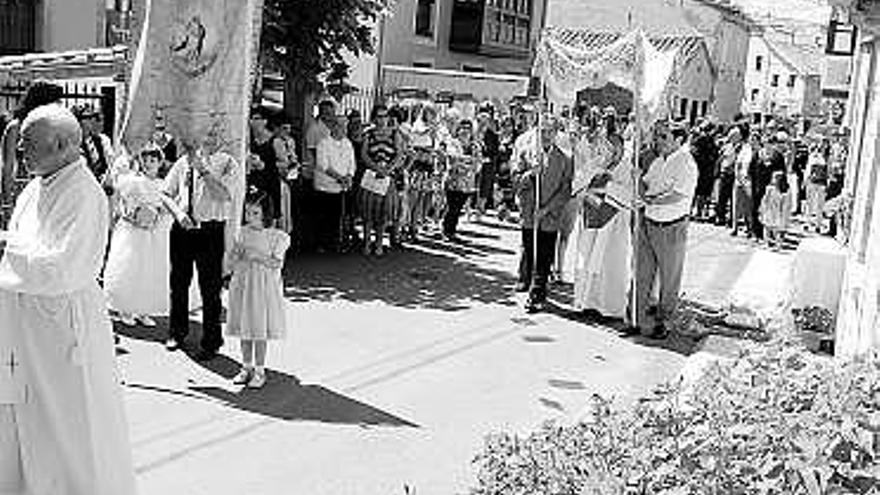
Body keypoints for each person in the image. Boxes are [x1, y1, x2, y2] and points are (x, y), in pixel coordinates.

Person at [0, 103, 136, 493]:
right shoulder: (34, 189)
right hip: (23, 332)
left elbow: (63, 268)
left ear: (60, 143)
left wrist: (5, 251)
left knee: (69, 425)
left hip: (62, 336)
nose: (20, 151)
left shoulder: (84, 195)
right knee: (23, 420)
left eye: (27, 143)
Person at [163, 135, 239, 360]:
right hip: (183, 228)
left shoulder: (227, 163)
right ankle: (177, 332)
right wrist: (177, 213)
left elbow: (224, 195)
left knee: (210, 287)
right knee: (178, 282)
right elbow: (166, 193)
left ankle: (211, 341)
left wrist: (203, 171)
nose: (206, 138)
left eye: (212, 132)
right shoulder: (183, 161)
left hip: (210, 230)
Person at [626, 120, 698, 339]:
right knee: (641, 273)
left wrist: (650, 200)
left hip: (671, 226)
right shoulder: (659, 161)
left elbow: (678, 194)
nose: (658, 140)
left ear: (679, 139)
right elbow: (644, 185)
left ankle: (664, 322)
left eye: (664, 136)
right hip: (649, 222)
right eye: (657, 136)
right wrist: (637, 181)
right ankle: (635, 319)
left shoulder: (686, 162)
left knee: (669, 279)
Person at [104, 144, 185, 327]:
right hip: (134, 230)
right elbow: (124, 205)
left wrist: (158, 214)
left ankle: (143, 310)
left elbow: (167, 205)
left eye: (153, 160)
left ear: (159, 163)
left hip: (154, 231)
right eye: (145, 160)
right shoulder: (132, 181)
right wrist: (137, 214)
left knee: (149, 270)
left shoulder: (162, 184)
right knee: (131, 267)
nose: (148, 164)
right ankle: (125, 308)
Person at [568, 107, 632, 319]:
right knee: (587, 261)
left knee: (609, 264)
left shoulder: (628, 167)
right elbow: (577, 184)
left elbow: (629, 195)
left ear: (621, 149)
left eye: (614, 148)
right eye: (606, 147)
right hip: (592, 219)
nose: (610, 152)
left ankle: (609, 308)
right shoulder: (595, 163)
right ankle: (586, 303)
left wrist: (608, 186)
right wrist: (592, 179)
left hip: (613, 223)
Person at [227, 192, 290, 389]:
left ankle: (260, 369)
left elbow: (277, 263)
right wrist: (235, 256)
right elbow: (232, 261)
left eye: (255, 213)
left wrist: (257, 256)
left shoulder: (275, 236)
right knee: (245, 326)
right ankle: (246, 367)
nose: (249, 216)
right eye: (247, 212)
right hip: (243, 284)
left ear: (265, 214)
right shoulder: (242, 232)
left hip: (262, 287)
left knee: (259, 328)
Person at [514, 115, 573, 313]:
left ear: (556, 134)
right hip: (530, 216)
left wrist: (547, 209)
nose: (546, 135)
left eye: (550, 131)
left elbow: (565, 190)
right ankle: (531, 285)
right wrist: (530, 173)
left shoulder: (565, 159)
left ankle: (537, 294)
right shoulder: (526, 153)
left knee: (544, 257)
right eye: (542, 131)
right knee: (531, 254)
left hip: (549, 216)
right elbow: (515, 182)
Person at [1, 81, 64, 210]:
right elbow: (7, 167)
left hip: (47, 189)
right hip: (22, 187)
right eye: (55, 102)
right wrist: (7, 203)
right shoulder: (15, 127)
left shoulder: (53, 126)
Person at [359, 104, 404, 256]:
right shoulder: (368, 134)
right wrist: (376, 168)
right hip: (371, 176)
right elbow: (364, 155)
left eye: (385, 116)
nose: (382, 119)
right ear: (374, 118)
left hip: (387, 178)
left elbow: (399, 155)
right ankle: (366, 243)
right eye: (379, 116)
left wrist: (387, 170)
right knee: (368, 212)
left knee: (383, 214)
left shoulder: (395, 134)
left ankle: (379, 244)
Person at [314, 113, 356, 252]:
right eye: (341, 126)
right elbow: (323, 166)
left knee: (339, 216)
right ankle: (322, 244)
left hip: (342, 186)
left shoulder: (347, 143)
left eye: (345, 126)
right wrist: (340, 178)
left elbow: (352, 164)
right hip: (325, 186)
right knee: (324, 216)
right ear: (333, 127)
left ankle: (337, 242)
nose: (344, 129)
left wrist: (349, 176)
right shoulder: (323, 143)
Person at [443, 119, 482, 241]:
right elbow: (453, 159)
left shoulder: (475, 145)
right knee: (452, 207)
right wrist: (469, 161)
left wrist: (466, 162)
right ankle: (447, 230)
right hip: (453, 180)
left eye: (468, 128)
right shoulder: (453, 142)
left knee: (458, 208)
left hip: (467, 183)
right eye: (463, 128)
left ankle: (452, 230)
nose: (465, 131)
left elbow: (479, 163)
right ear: (458, 130)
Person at [714, 126, 740, 227]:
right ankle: (720, 217)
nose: (732, 137)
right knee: (722, 197)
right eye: (731, 136)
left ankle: (731, 220)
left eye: (734, 136)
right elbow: (720, 158)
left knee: (732, 198)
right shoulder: (726, 146)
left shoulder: (739, 147)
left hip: (732, 173)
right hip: (724, 173)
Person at [760, 170, 792, 250]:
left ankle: (778, 244)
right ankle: (766, 242)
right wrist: (763, 208)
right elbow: (765, 199)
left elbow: (787, 203)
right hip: (770, 210)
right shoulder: (770, 188)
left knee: (777, 229)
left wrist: (783, 212)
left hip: (779, 211)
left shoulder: (786, 190)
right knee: (767, 227)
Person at [805, 141, 828, 233]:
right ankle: (818, 224)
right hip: (822, 183)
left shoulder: (812, 157)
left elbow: (808, 171)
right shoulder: (824, 159)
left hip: (812, 182)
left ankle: (808, 222)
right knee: (820, 205)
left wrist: (805, 181)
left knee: (810, 203)